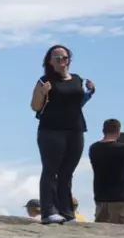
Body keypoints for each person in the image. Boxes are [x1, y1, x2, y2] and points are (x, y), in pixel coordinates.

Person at [30, 43, 94, 225]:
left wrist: (91, 91)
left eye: (64, 58)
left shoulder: (77, 79)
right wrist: (42, 93)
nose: (61, 61)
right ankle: (48, 211)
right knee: (51, 170)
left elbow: (78, 102)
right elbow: (35, 106)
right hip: (51, 129)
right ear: (50, 62)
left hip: (75, 129)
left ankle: (67, 212)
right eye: (57, 58)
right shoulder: (44, 80)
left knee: (67, 172)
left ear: (69, 60)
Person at [88, 119, 124, 225]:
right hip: (120, 197)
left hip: (101, 196)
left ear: (103, 131)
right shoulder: (123, 148)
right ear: (118, 131)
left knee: (100, 230)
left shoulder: (94, 148)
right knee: (121, 230)